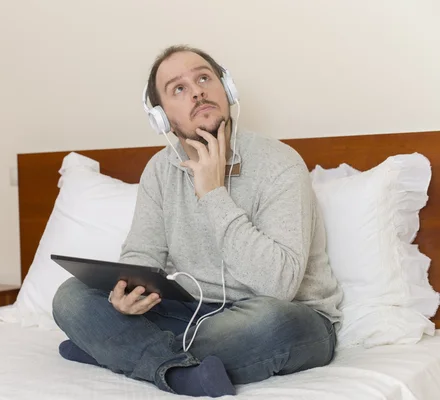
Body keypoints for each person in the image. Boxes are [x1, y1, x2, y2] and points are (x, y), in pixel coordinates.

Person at [52, 45, 343, 398]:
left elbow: (280, 285)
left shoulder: (279, 163)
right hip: (192, 312)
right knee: (72, 296)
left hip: (288, 318)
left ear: (227, 90)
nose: (197, 91)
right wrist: (125, 296)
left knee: (271, 321)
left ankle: (115, 351)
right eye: (179, 88)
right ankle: (172, 369)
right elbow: (142, 254)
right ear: (161, 118)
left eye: (204, 78)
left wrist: (213, 193)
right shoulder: (160, 170)